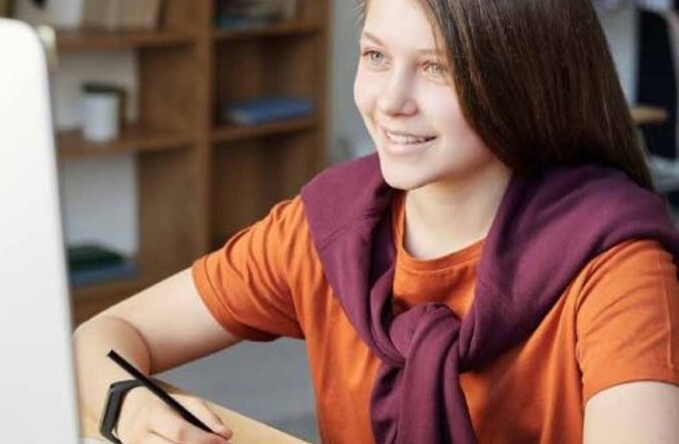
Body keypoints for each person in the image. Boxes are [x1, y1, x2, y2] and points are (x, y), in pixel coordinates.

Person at [73, 0, 679, 442]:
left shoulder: (620, 270)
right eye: (375, 56)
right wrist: (126, 404)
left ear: (523, 82)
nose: (390, 100)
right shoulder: (329, 230)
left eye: (438, 68)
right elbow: (106, 334)